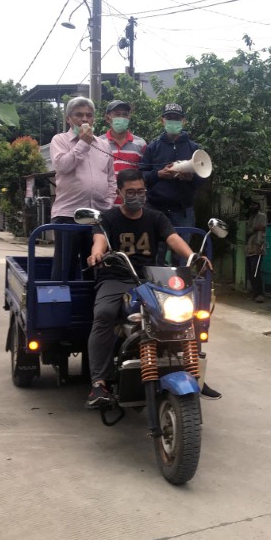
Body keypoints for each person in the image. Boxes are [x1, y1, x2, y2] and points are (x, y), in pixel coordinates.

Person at [85, 168, 219, 408]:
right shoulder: (108, 218)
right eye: (131, 192)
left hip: (151, 279)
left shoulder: (155, 217)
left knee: (189, 314)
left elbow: (173, 238)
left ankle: (194, 371)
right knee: (103, 314)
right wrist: (96, 255)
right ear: (119, 193)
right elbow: (99, 241)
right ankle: (99, 383)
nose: (137, 196)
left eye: (141, 191)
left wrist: (193, 256)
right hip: (116, 277)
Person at [49, 97, 116, 280]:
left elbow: (111, 178)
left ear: (94, 119)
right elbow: (62, 166)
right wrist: (83, 144)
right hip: (67, 215)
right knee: (65, 268)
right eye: (79, 115)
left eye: (89, 115)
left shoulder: (103, 145)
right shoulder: (60, 140)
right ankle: (60, 306)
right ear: (69, 119)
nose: (84, 119)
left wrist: (108, 203)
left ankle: (91, 306)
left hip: (97, 217)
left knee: (95, 265)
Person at [140, 103, 206, 264]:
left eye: (176, 118)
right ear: (162, 121)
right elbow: (142, 175)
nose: (173, 121)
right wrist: (159, 174)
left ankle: (180, 287)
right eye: (169, 118)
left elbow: (202, 178)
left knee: (181, 256)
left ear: (183, 121)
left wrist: (189, 177)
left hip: (182, 211)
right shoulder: (152, 147)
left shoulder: (194, 148)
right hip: (155, 208)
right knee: (154, 253)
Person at [103, 100, 147, 205]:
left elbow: (144, 174)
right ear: (107, 118)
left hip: (132, 205)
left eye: (124, 115)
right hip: (105, 204)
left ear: (129, 118)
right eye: (117, 114)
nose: (121, 118)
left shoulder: (140, 143)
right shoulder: (99, 143)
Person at [245, 199, 267, 303]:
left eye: (255, 204)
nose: (252, 207)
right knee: (250, 272)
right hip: (250, 248)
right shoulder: (251, 218)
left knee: (255, 271)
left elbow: (262, 229)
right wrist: (255, 229)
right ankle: (255, 294)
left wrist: (260, 245)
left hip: (258, 248)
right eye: (251, 205)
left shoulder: (262, 216)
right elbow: (248, 231)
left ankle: (260, 294)